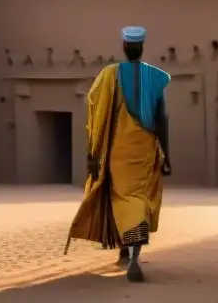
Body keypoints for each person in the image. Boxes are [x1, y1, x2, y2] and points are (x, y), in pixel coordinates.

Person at [65, 25, 172, 283]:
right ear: (142, 47)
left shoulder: (109, 75)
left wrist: (93, 152)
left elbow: (97, 111)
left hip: (117, 151)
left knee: (120, 196)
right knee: (138, 197)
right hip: (144, 150)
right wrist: (166, 154)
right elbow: (162, 119)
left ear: (124, 47)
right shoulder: (156, 78)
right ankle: (131, 256)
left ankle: (129, 257)